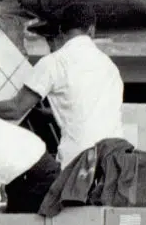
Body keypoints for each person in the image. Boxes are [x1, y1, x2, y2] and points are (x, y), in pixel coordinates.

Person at [13, 18, 129, 169]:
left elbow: (15, 109)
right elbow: (89, 108)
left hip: (79, 160)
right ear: (91, 30)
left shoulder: (54, 62)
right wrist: (50, 113)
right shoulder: (109, 65)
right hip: (115, 156)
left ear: (61, 34)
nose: (50, 47)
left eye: (51, 41)